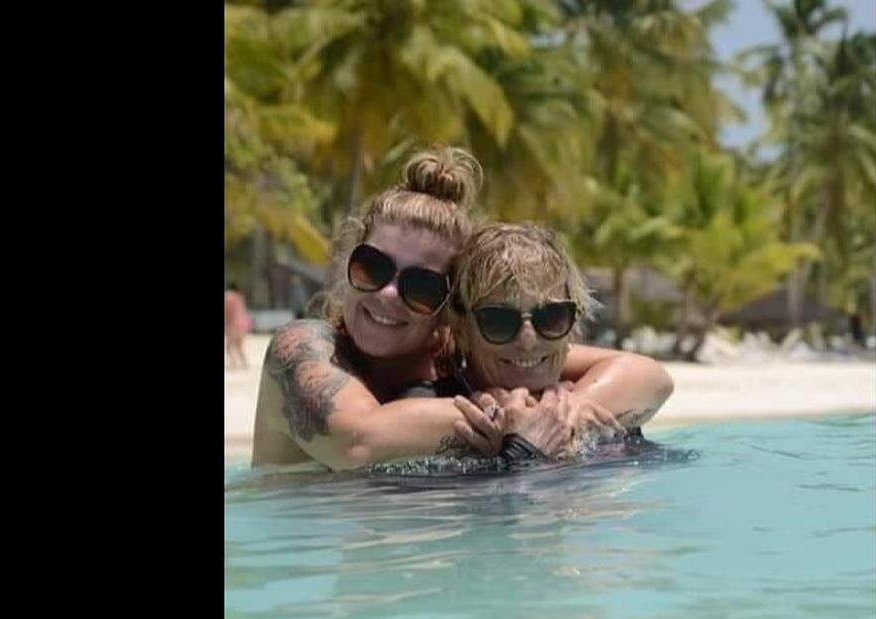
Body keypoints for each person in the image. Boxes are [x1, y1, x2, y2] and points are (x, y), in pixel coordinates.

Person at [251, 148, 672, 471]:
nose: (389, 293)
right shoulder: (304, 346)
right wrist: (514, 419)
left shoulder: (457, 352)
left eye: (421, 286)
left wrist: (566, 412)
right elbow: (358, 441)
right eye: (373, 267)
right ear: (348, 263)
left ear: (451, 307)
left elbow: (645, 374)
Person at [446, 222, 672, 460]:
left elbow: (657, 379)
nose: (528, 341)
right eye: (499, 321)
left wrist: (569, 410)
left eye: (550, 317)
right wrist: (519, 450)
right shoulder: (440, 404)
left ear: (573, 321)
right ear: (461, 327)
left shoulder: (579, 402)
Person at [224, 282, 253, 369]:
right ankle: (244, 363)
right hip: (243, 323)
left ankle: (234, 363)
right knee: (239, 346)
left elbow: (227, 311)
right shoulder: (240, 297)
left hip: (233, 324)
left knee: (229, 347)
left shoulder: (228, 297)